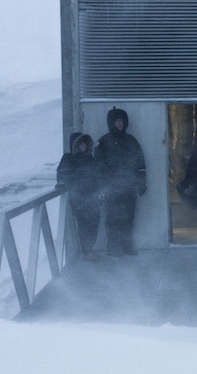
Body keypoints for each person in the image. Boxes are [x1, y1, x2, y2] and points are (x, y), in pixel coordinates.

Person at [95, 107, 146, 256]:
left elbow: (140, 164)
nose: (119, 124)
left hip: (129, 188)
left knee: (128, 218)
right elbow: (98, 167)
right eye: (116, 121)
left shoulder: (131, 141)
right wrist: (102, 187)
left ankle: (127, 246)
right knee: (112, 219)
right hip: (112, 189)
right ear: (111, 123)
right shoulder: (103, 142)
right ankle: (113, 248)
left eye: (121, 121)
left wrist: (141, 183)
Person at [56, 132, 102, 261]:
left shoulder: (90, 158)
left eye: (84, 143)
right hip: (79, 199)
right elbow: (62, 173)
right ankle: (86, 252)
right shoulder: (68, 158)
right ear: (74, 145)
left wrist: (99, 191)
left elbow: (97, 177)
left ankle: (89, 249)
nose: (83, 146)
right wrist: (62, 183)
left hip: (92, 197)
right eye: (80, 143)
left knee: (94, 224)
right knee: (84, 225)